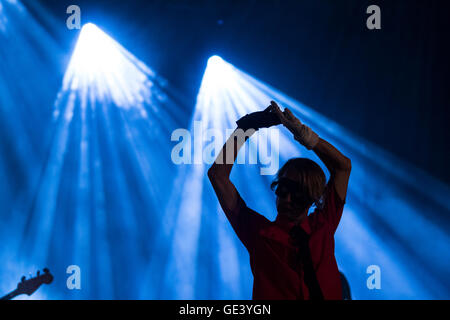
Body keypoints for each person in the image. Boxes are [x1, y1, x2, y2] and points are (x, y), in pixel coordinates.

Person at [207, 101, 351, 300]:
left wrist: (303, 134)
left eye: (297, 192)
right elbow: (218, 176)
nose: (288, 198)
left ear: (312, 198)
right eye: (283, 189)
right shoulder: (258, 233)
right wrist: (246, 128)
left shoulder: (323, 224)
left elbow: (342, 167)